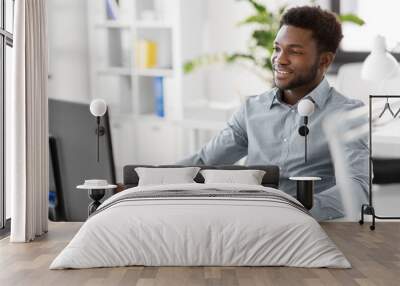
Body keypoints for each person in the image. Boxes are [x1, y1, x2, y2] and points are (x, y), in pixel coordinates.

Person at [178, 6, 368, 221]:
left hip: (309, 229)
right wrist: (147, 179)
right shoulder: (253, 110)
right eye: (278, 48)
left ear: (324, 61)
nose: (280, 59)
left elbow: (356, 188)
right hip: (251, 223)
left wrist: (293, 210)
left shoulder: (346, 114)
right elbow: (204, 160)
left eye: (294, 51)